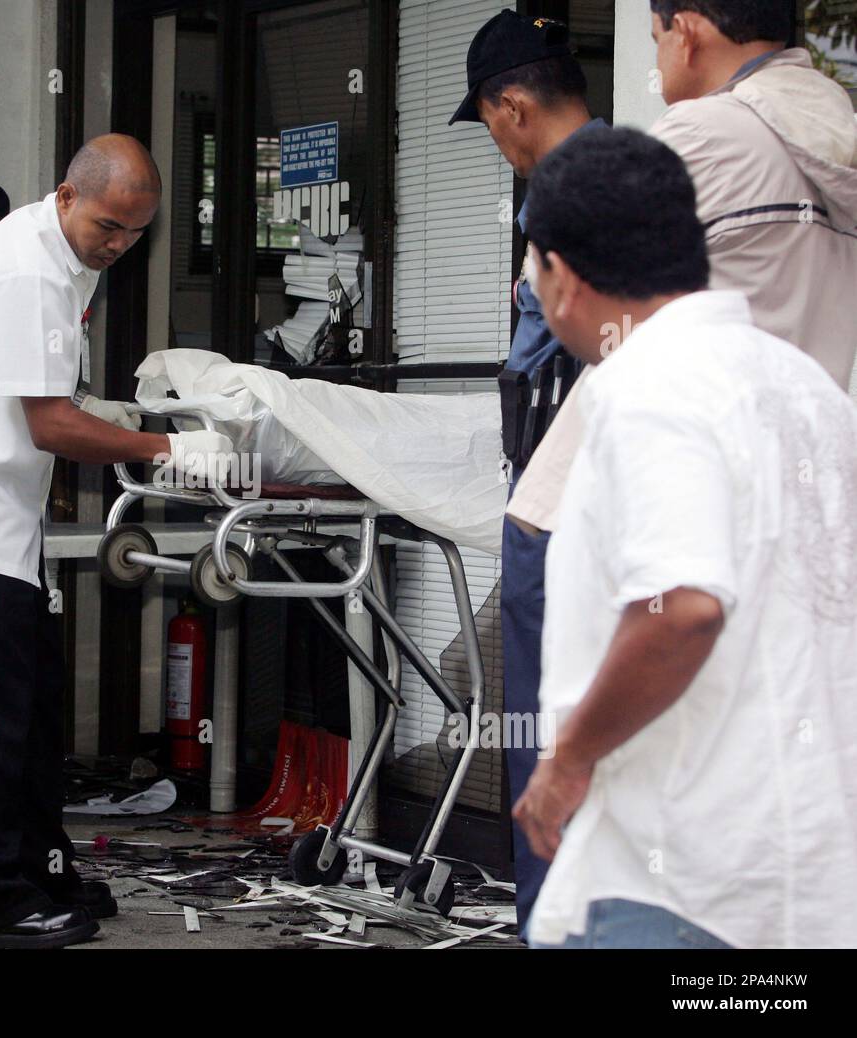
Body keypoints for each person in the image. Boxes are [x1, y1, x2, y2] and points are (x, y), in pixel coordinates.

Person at [0, 134, 230, 949]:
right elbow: (46, 424)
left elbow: (42, 398)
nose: (118, 246)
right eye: (109, 226)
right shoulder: (31, 265)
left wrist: (105, 416)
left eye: (136, 234)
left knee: (32, 714)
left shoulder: (62, 255)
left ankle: (41, 868)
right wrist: (167, 450)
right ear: (67, 197)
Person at [511, 125, 857, 949]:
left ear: (560, 275)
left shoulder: (650, 388)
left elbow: (685, 606)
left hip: (676, 881)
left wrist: (565, 763)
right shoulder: (807, 388)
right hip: (807, 876)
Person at [508, 0, 857, 534]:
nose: (660, 57)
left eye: (656, 37)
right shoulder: (835, 134)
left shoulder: (705, 133)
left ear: (687, 34)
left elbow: (565, 262)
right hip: (808, 491)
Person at [448, 9, 603, 935]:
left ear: (510, 106)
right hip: (629, 496)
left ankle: (551, 921)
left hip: (562, 489)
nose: (498, 144)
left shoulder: (555, 192)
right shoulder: (646, 170)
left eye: (489, 122)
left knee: (543, 717)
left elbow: (541, 352)